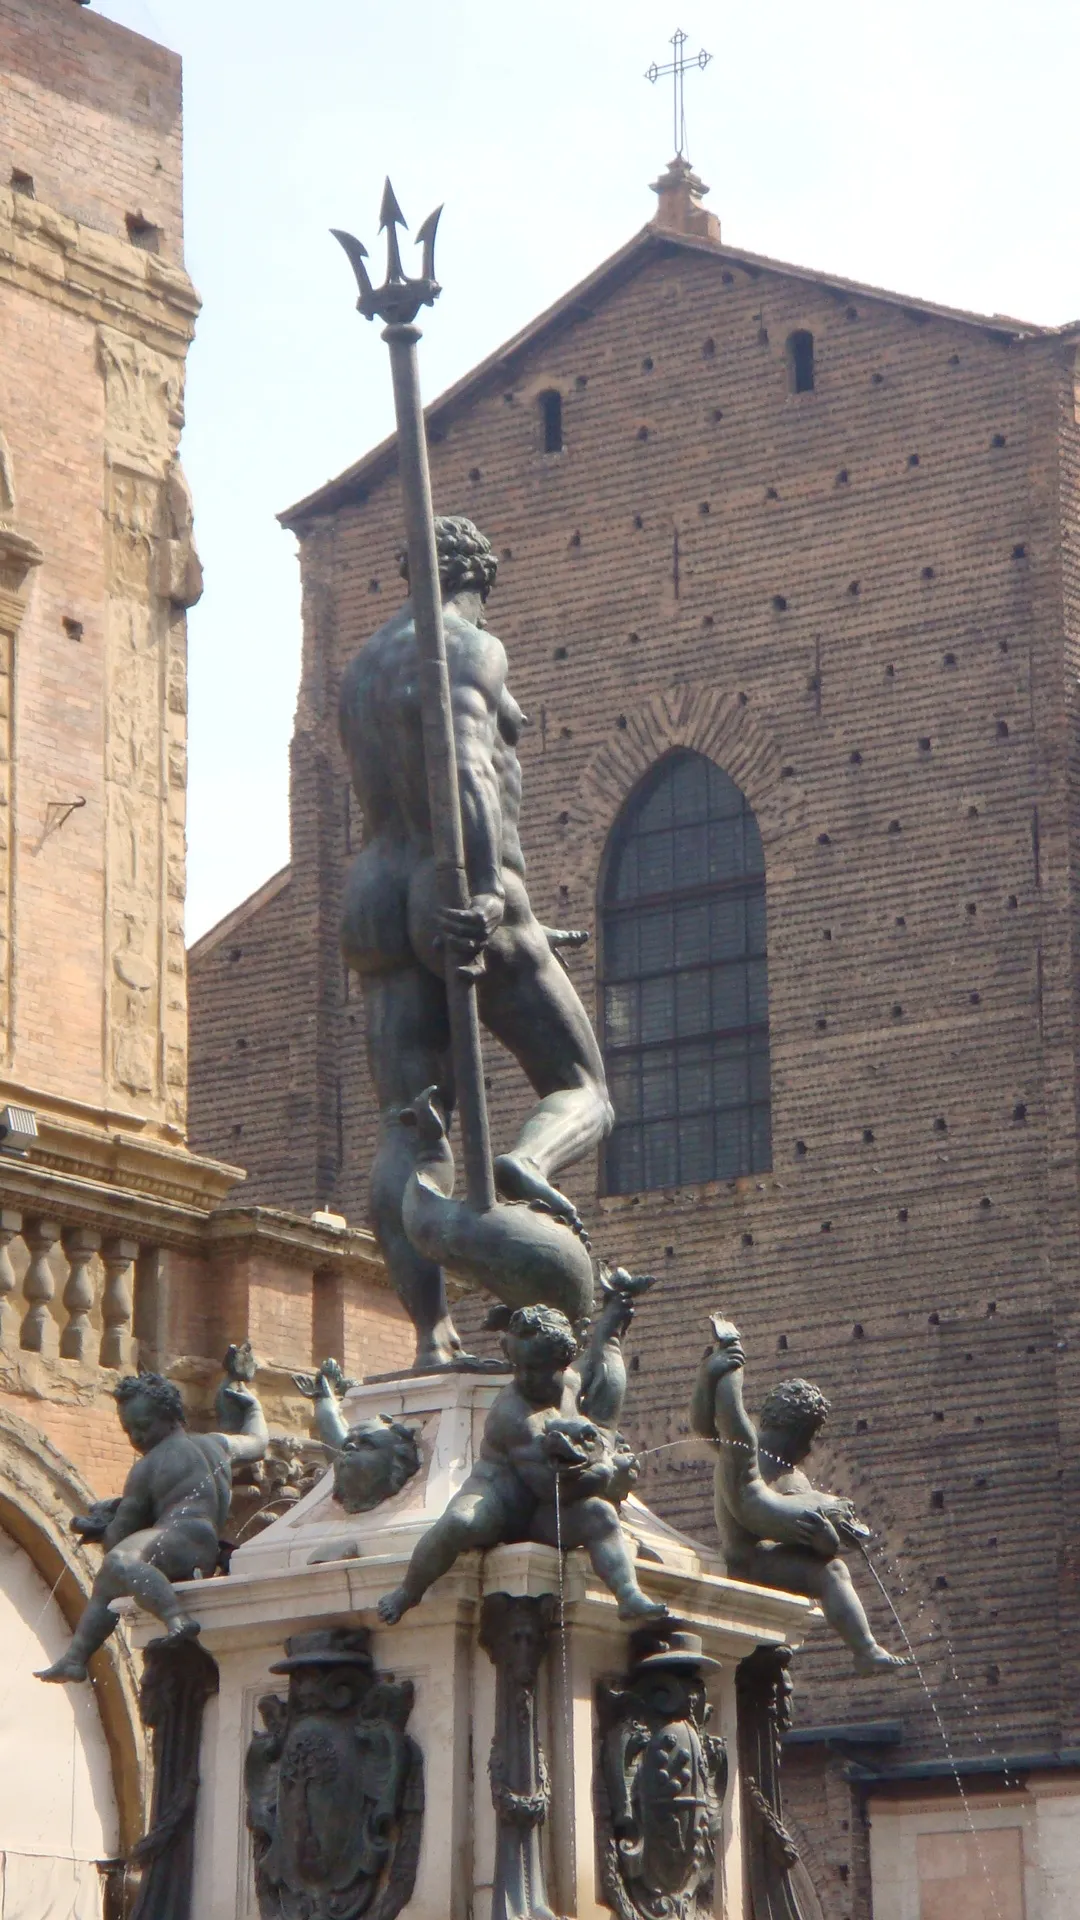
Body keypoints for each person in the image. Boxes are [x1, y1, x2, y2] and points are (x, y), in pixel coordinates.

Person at [339, 514, 614, 1370]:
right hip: (455, 885)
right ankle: (528, 1164)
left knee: (409, 1127)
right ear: (480, 580)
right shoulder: (467, 645)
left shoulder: (361, 671)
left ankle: (431, 1341)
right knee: (585, 1089)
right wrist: (491, 891)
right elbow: (465, 766)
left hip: (378, 898)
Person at [377, 1282, 666, 1626]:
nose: (525, 1377)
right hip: (501, 1504)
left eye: (535, 1369)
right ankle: (408, 1591)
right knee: (458, 1523)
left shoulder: (570, 1385)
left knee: (600, 1517)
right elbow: (549, 1486)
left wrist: (614, 1315)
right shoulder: (513, 1415)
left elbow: (605, 1364)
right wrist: (607, 1475)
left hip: (543, 1513)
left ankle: (628, 1594)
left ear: (562, 1363)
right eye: (519, 1367)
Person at [690, 1316, 907, 1676]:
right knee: (831, 1574)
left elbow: (817, 1544)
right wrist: (725, 1360)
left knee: (833, 1567)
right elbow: (718, 1415)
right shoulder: (743, 1455)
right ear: (799, 1435)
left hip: (772, 1557)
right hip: (746, 1561)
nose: (809, 1450)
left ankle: (866, 1650)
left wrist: (827, 1539)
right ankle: (865, 1650)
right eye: (810, 1438)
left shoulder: (794, 1478)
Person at [37, 1370, 267, 1684]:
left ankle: (175, 1619)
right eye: (129, 1430)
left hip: (177, 1539)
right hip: (203, 1544)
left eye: (143, 1427)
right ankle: (75, 1659)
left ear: (170, 1417)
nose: (137, 1438)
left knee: (118, 1563)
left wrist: (103, 1526)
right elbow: (258, 1443)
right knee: (107, 1584)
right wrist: (253, 1410)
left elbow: (119, 1538)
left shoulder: (146, 1467)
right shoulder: (216, 1444)